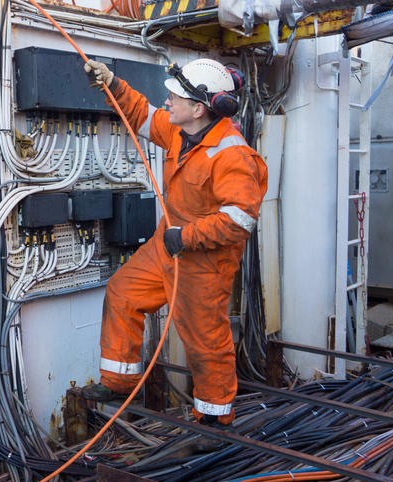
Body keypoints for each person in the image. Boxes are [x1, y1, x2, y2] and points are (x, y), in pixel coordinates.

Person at [80, 58, 268, 449]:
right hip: (168, 245)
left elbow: (240, 220)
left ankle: (216, 420)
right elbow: (141, 114)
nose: (166, 102)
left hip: (204, 259)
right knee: (123, 293)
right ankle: (119, 382)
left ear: (199, 108)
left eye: (174, 96)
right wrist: (112, 83)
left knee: (204, 337)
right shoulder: (179, 129)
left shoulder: (232, 154)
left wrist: (186, 238)